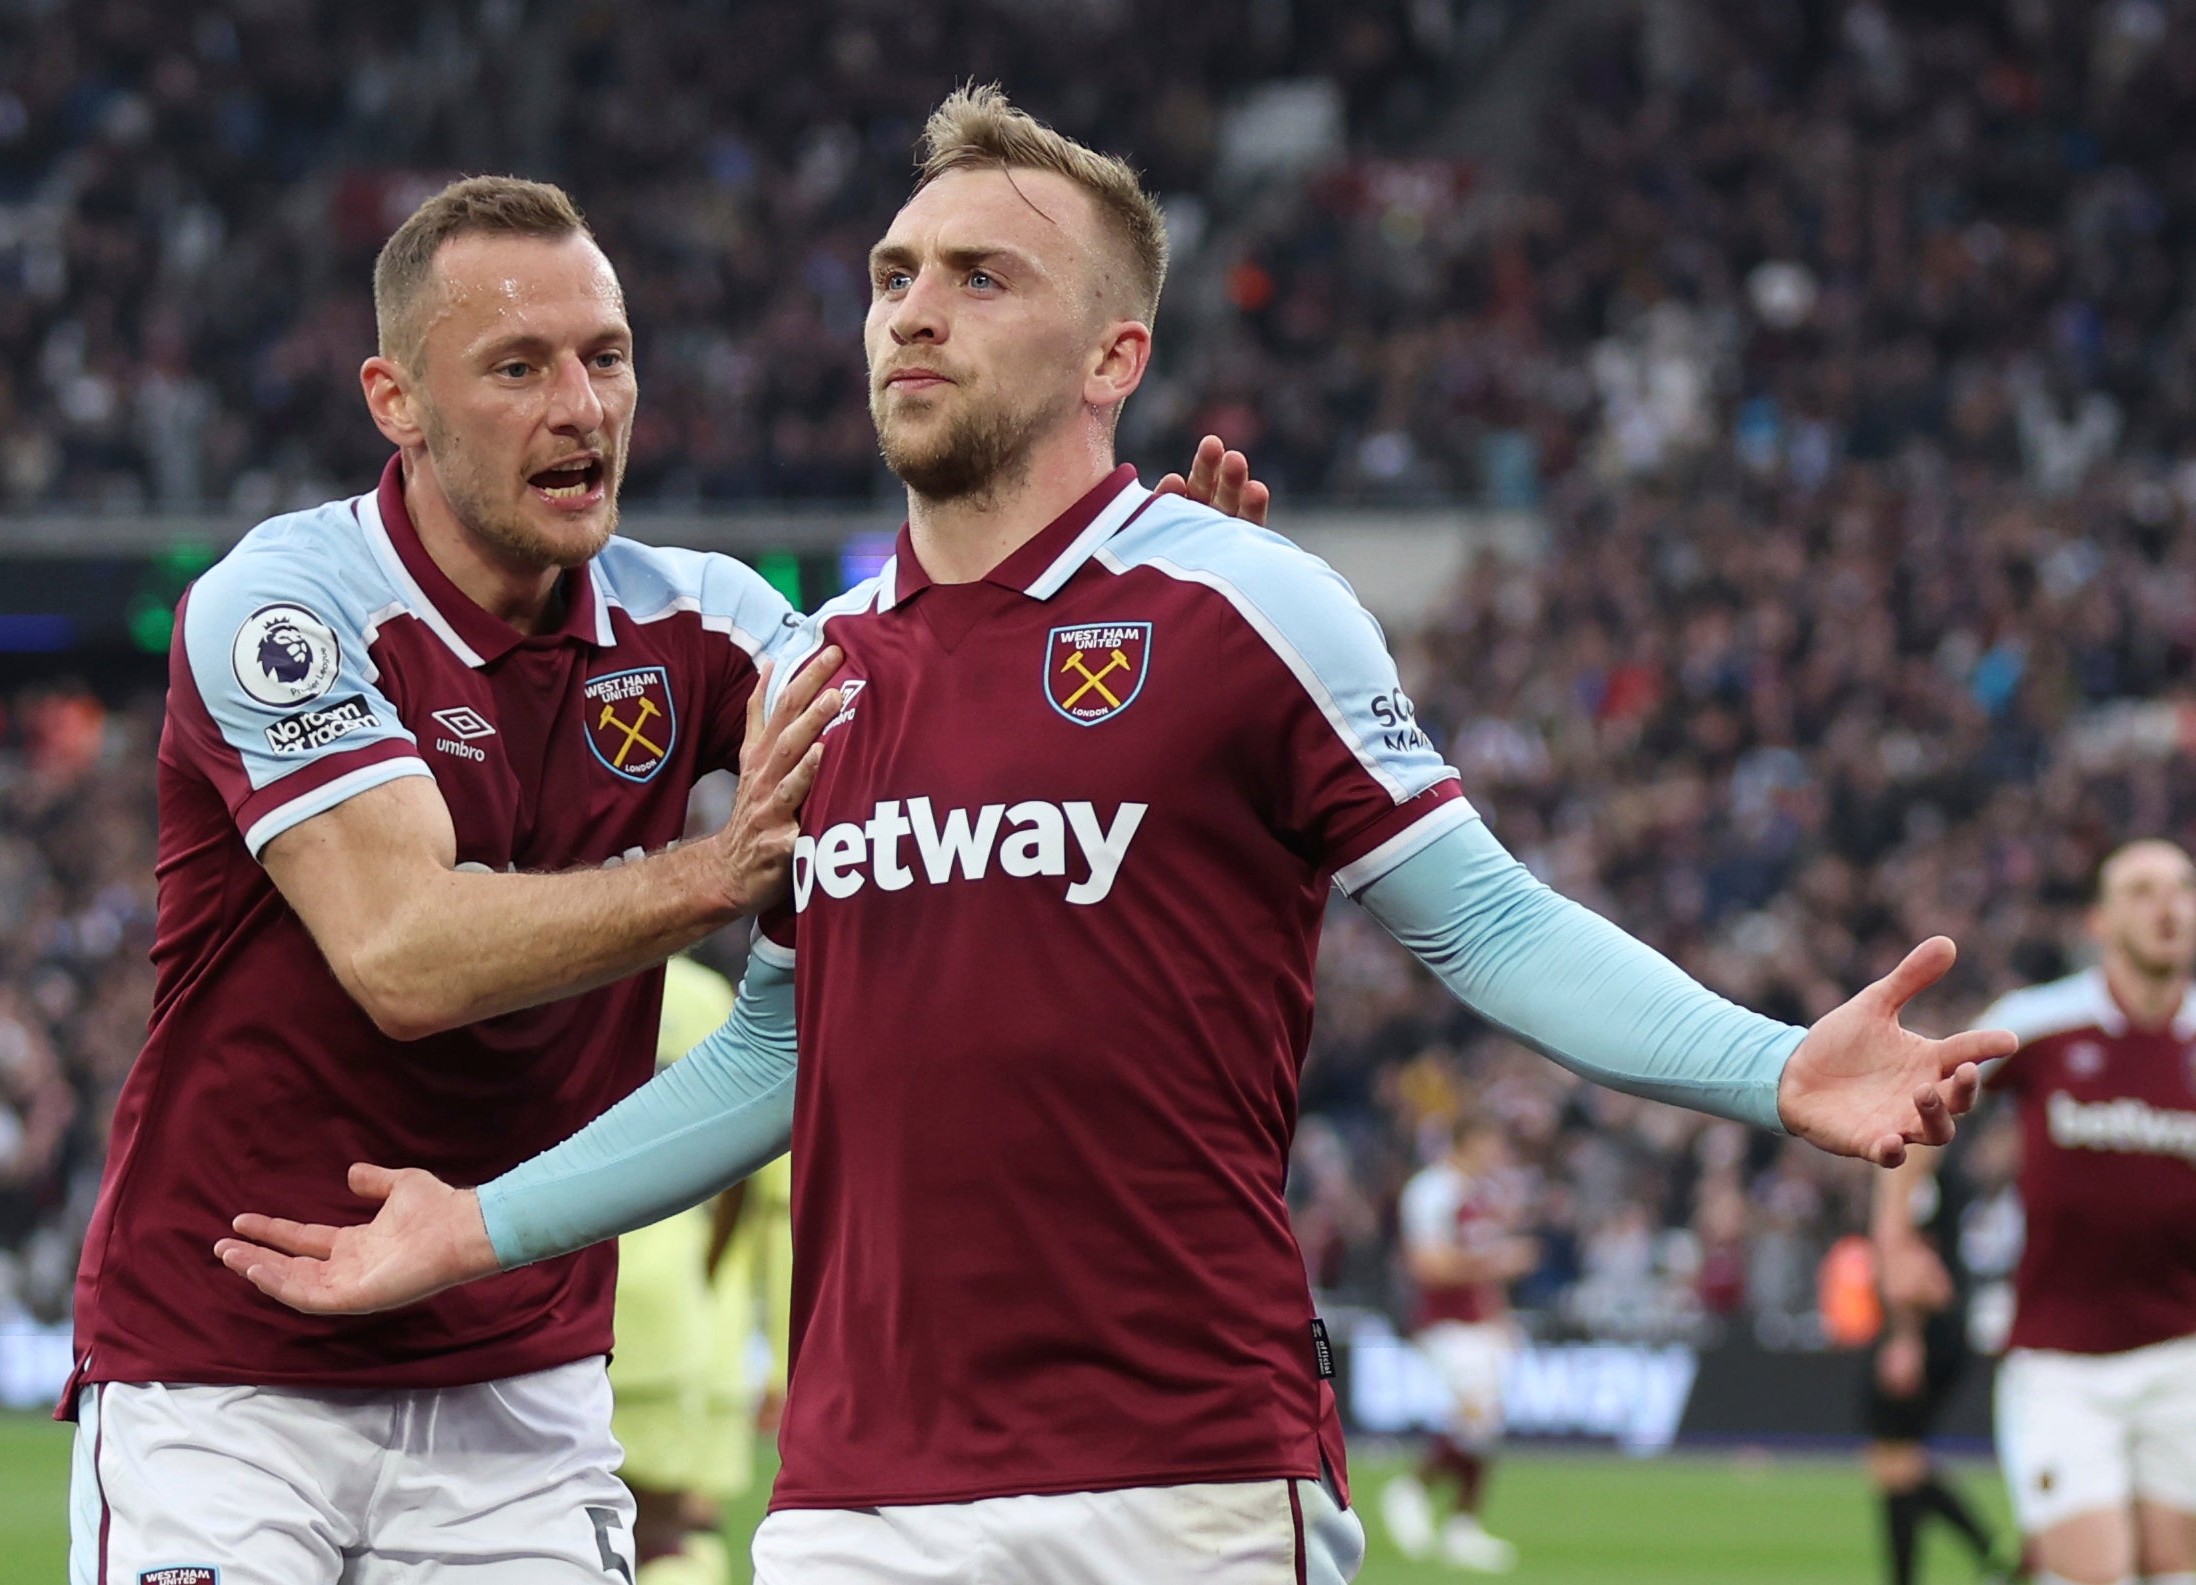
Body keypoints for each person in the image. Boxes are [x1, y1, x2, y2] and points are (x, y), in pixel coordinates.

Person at [216, 87, 2008, 1584]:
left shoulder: (1242, 606)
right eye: (893, 274)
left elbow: (1484, 924)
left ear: (1111, 355)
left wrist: (1767, 1067)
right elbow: (777, 1042)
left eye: (981, 278)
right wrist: (483, 1228)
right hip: (852, 1500)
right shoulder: (819, 671)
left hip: (1183, 1479)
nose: (912, 312)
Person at [59, 173, 850, 1585]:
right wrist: (719, 871)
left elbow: (941, 739)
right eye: (517, 367)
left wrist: (1136, 580)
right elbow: (404, 955)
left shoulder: (704, 621)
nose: (582, 407)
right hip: (228, 1369)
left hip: (519, 1395)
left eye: (605, 358)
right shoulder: (283, 608)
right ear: (395, 401)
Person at [1877, 838, 2196, 1585]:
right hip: (2060, 1357)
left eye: (2182, 887)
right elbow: (1920, 1098)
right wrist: (1895, 1235)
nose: (2168, 905)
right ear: (2100, 920)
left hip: (2183, 1348)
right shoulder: (2041, 1020)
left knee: (2174, 1568)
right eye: (2142, 890)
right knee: (2094, 1571)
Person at [609, 954, 792, 1585]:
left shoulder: (537, 992)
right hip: (673, 1318)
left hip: (544, 1310)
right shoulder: (710, 1001)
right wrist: (794, 1359)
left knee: (539, 1527)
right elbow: (770, 1197)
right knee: (672, 1534)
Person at [1861, 1100, 2009, 1585]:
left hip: (1925, 1326)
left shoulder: (1912, 1159)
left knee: (1896, 1462)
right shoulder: (1943, 1157)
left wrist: (1905, 1337)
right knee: (1899, 1462)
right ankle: (1990, 1556)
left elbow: (1909, 1251)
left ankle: (1980, 1556)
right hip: (1942, 1323)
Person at [1380, 1115, 1534, 1573]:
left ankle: (1462, 1526)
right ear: (1467, 1142)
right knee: (1475, 1416)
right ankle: (1412, 1491)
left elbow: (1481, 1273)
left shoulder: (1478, 1194)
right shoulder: (1432, 1192)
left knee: (1485, 1426)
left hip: (1479, 1324)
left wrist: (1498, 1318)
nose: (1495, 1155)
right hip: (1444, 1323)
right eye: (1488, 1143)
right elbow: (1428, 1266)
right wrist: (1498, 1262)